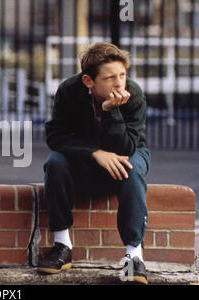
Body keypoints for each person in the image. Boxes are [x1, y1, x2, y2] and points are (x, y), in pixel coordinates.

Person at [38, 42, 150, 284]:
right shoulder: (69, 91)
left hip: (128, 150)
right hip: (85, 157)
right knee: (55, 163)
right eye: (110, 78)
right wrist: (95, 152)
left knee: (132, 169)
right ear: (89, 81)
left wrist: (112, 111)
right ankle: (62, 245)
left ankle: (134, 255)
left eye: (122, 75)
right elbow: (56, 136)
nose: (119, 83)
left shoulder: (134, 94)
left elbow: (127, 148)